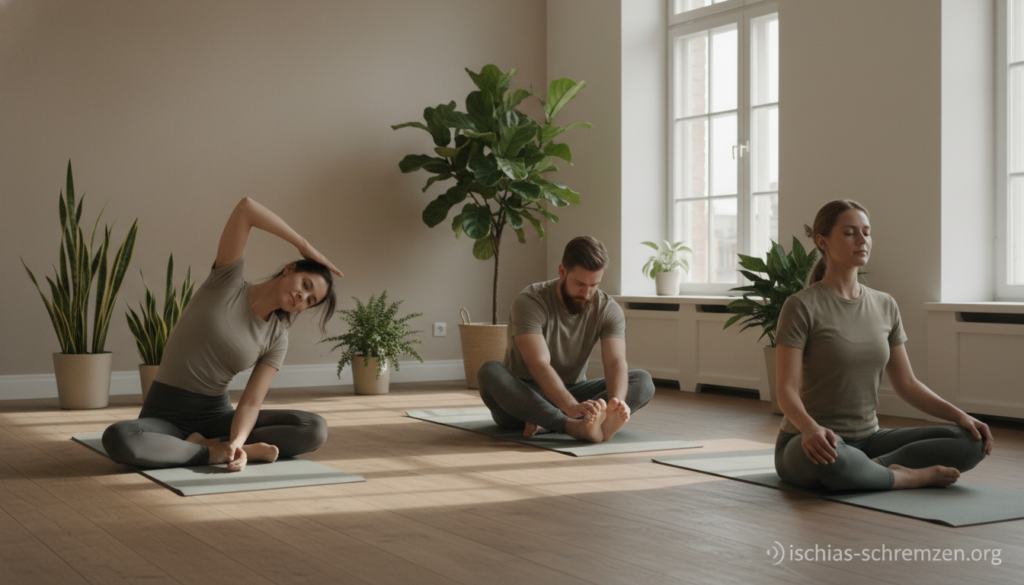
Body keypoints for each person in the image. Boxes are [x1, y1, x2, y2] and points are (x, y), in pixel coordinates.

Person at [102, 197, 343, 472]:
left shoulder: (277, 339)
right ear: (290, 269)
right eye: (306, 284)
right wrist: (304, 246)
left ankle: (215, 447)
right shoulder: (227, 281)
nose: (303, 296)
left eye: (310, 300)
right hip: (164, 414)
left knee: (314, 428)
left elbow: (251, 403)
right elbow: (246, 209)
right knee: (119, 438)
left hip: (215, 417)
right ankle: (211, 452)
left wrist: (237, 441)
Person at [774, 199, 992, 491]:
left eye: (867, 232)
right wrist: (810, 428)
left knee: (970, 442)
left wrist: (962, 416)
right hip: (809, 440)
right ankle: (908, 476)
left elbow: (907, 384)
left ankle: (873, 469)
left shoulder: (884, 304)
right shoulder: (800, 306)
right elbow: (786, 389)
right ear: (822, 241)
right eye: (850, 232)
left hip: (869, 440)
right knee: (835, 461)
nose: (863, 240)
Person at [477, 236, 655, 443]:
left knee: (642, 380)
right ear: (562, 271)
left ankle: (582, 423)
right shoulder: (530, 301)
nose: (586, 293)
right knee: (489, 371)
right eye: (579, 283)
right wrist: (570, 408)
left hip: (573, 390)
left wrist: (616, 403)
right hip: (523, 397)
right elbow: (538, 363)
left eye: (594, 285)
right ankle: (571, 426)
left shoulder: (608, 309)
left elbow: (615, 362)